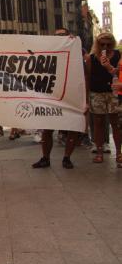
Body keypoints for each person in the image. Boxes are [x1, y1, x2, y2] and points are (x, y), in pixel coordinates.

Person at [32, 28, 85, 169]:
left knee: (72, 128)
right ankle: (45, 158)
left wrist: (85, 100)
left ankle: (67, 158)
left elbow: (86, 77)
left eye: (63, 35)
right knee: (47, 129)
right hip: (51, 97)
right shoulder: (47, 52)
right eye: (57, 35)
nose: (60, 37)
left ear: (69, 36)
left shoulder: (78, 52)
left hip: (71, 97)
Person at [86, 32, 121, 166]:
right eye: (102, 44)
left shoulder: (118, 55)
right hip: (97, 93)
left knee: (116, 123)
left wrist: (109, 67)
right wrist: (87, 97)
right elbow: (88, 77)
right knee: (98, 123)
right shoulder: (92, 57)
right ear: (97, 44)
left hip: (113, 93)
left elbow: (120, 72)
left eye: (108, 44)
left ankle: (119, 153)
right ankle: (99, 152)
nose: (105, 46)